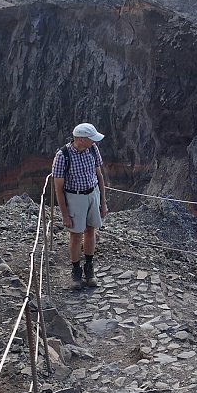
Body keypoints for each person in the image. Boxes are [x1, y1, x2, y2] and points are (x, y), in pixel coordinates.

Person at [52, 123, 108, 288]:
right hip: (75, 197)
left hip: (92, 194)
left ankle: (89, 268)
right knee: (76, 235)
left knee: (91, 231)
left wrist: (103, 202)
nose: (94, 142)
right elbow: (58, 188)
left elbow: (99, 176)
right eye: (91, 139)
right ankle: (76, 272)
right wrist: (64, 214)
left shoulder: (92, 149)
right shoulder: (63, 156)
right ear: (81, 139)